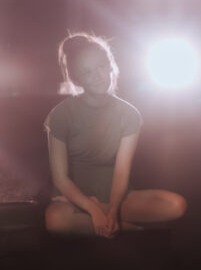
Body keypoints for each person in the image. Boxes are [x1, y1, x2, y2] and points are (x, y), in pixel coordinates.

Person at [44, 33, 186, 238]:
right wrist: (91, 209)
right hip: (75, 200)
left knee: (176, 205)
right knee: (54, 219)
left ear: (111, 66)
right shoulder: (60, 115)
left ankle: (109, 221)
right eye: (87, 72)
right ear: (76, 77)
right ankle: (128, 227)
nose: (98, 76)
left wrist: (111, 210)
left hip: (118, 199)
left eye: (102, 66)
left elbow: (121, 173)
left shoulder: (129, 114)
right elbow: (60, 178)